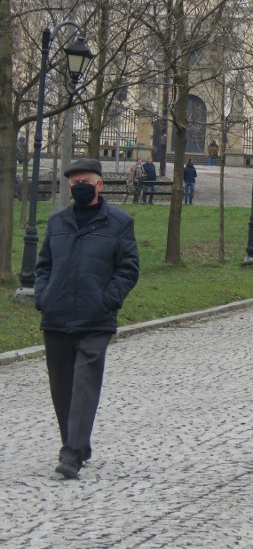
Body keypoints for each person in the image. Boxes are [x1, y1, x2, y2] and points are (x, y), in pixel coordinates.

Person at [34, 158, 140, 479]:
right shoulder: (57, 222)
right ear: (69, 185)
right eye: (74, 180)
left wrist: (107, 300)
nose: (79, 184)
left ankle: (71, 457)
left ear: (99, 185)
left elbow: (128, 268)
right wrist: (43, 296)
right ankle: (77, 441)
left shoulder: (119, 222)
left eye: (85, 180)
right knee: (61, 388)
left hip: (95, 318)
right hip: (57, 316)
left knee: (84, 384)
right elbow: (43, 266)